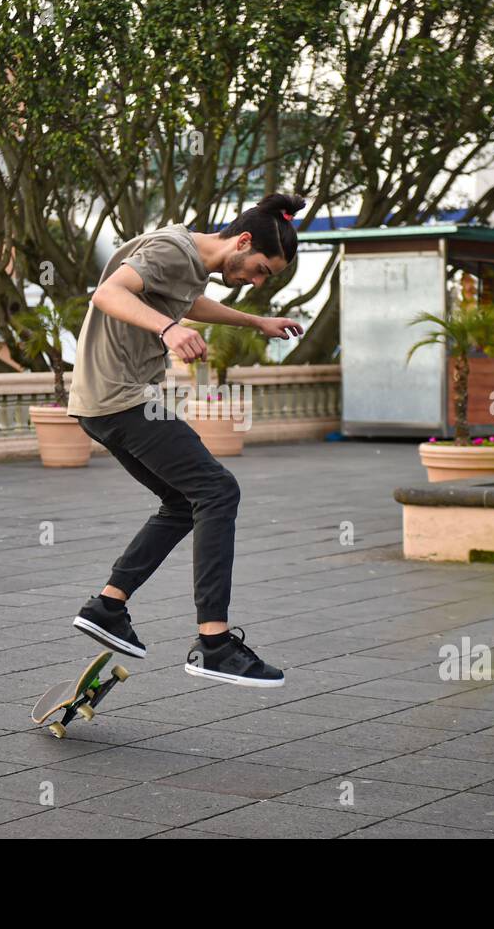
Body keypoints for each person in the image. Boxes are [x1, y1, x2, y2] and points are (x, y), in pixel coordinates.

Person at [66, 194, 306, 688]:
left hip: (101, 403)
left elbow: (183, 298)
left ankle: (108, 606)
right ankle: (214, 643)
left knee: (182, 502)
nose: (256, 282)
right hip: (123, 399)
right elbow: (107, 294)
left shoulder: (187, 259)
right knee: (218, 491)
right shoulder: (173, 250)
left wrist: (255, 321)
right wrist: (168, 329)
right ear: (242, 242)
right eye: (260, 269)